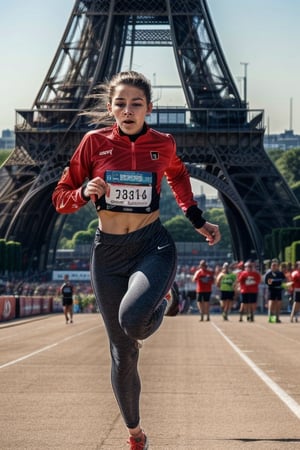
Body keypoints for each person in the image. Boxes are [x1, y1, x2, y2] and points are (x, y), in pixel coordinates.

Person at [52, 71, 221, 449]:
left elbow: (178, 176)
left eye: (136, 103)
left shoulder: (164, 143)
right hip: (107, 252)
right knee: (122, 353)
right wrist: (82, 191)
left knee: (135, 323)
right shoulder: (93, 143)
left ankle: (163, 297)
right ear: (111, 107)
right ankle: (135, 432)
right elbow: (60, 197)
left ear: (149, 108)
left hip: (152, 245)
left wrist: (196, 219)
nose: (128, 110)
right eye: (121, 103)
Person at [264, 259, 286, 323]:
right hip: (272, 290)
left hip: (279, 290)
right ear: (271, 267)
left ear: (277, 266)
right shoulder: (269, 274)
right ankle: (271, 318)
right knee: (272, 304)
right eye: (272, 265)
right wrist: (275, 282)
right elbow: (268, 283)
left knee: (278, 304)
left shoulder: (280, 273)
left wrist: (284, 285)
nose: (274, 267)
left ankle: (277, 318)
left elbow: (284, 281)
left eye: (275, 265)